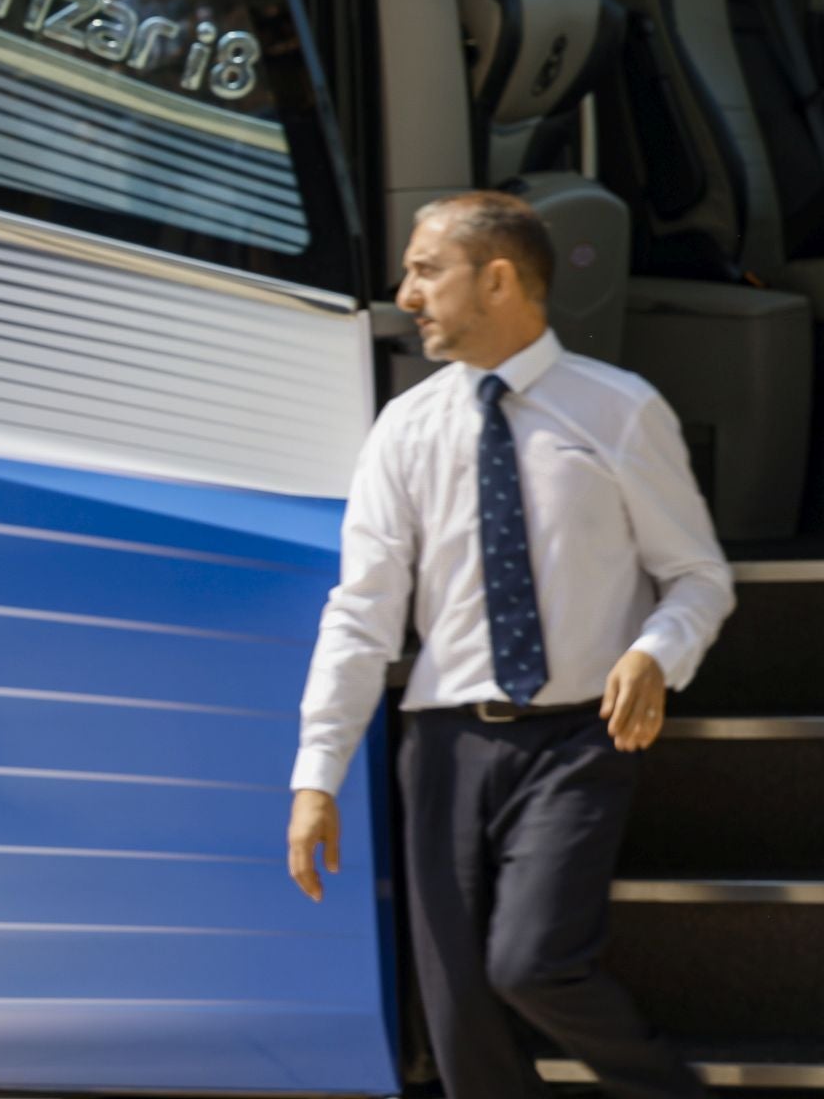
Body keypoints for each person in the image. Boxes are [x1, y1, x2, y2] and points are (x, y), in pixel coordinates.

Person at [286, 192, 733, 1099]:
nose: (406, 293)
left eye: (425, 269)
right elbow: (361, 611)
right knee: (461, 1030)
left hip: (577, 741)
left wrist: (655, 652)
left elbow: (698, 577)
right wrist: (315, 773)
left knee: (532, 963)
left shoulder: (618, 410)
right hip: (445, 747)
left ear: (497, 279)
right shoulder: (404, 429)